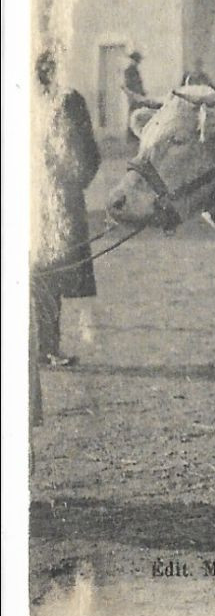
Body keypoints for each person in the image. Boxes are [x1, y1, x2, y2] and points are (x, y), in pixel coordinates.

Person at [32, 50, 100, 379]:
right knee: (48, 274)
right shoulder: (67, 101)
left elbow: (88, 156)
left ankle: (44, 346)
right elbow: (90, 155)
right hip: (52, 199)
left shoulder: (59, 102)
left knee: (44, 275)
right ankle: (45, 347)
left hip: (45, 198)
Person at [122, 50, 147, 144]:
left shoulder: (135, 70)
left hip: (138, 96)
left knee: (137, 114)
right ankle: (131, 137)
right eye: (137, 60)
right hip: (133, 96)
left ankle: (134, 136)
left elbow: (138, 84)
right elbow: (129, 84)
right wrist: (135, 94)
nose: (138, 62)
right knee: (134, 115)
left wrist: (142, 93)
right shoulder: (129, 71)